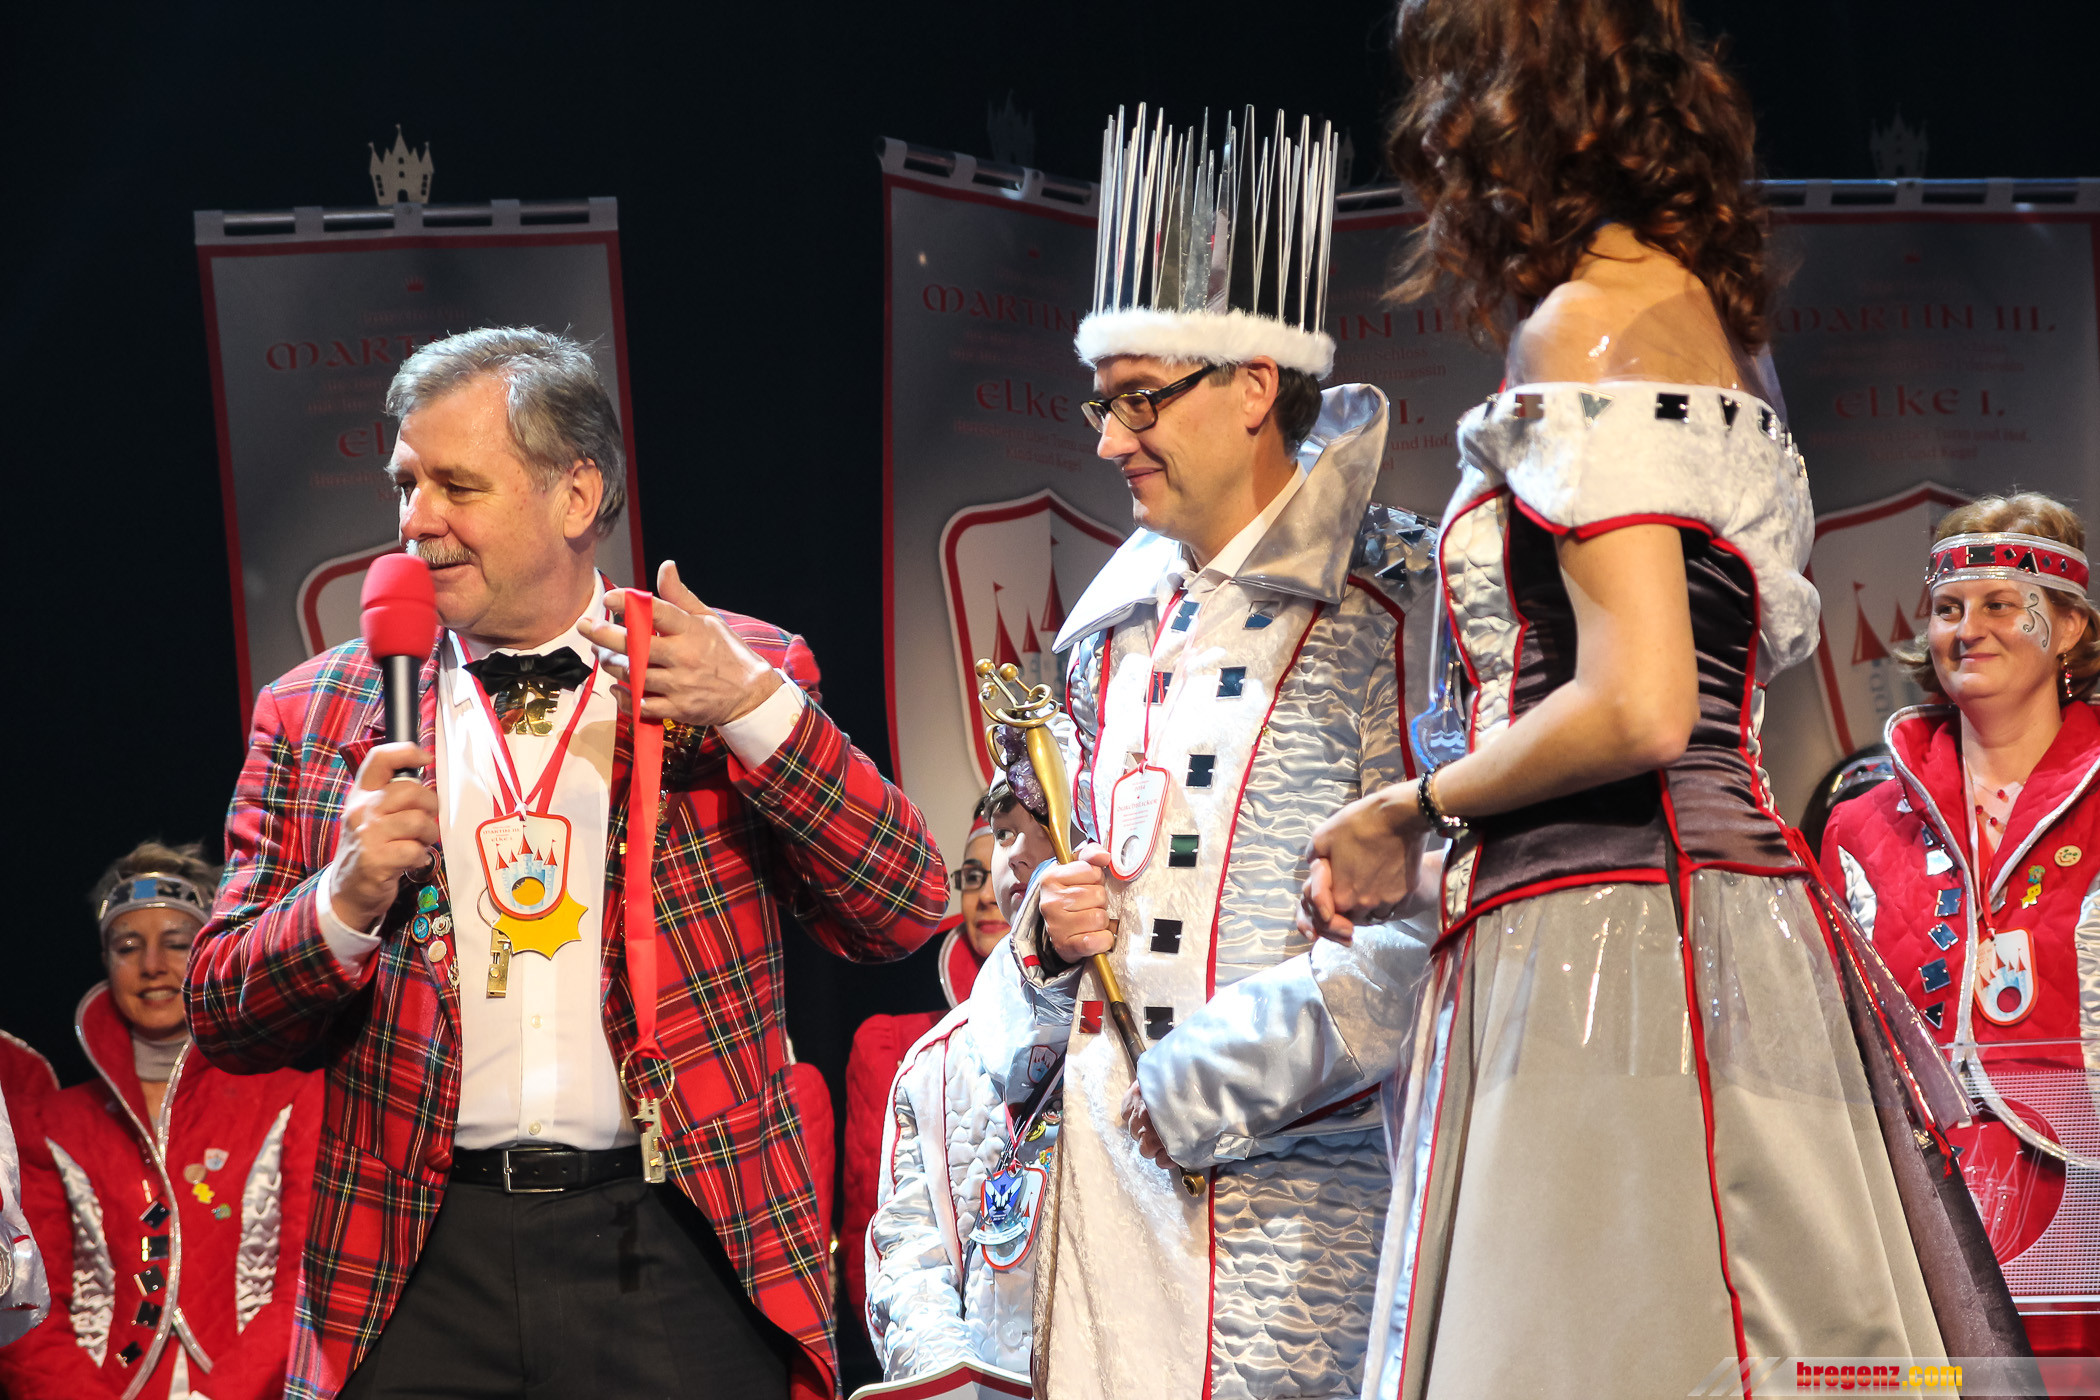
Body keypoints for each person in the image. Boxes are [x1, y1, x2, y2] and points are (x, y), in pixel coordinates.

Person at [1298, 3, 2027, 1395]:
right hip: (1717, 919)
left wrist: (1412, 806)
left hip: (1615, 937)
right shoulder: (1714, 330)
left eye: (1457, 94)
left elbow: (1638, 702)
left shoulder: (1587, 327)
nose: (1441, 141)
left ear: (1524, 107)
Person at [184, 327, 949, 1400]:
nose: (416, 520)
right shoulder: (314, 711)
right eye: (406, 484)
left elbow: (903, 907)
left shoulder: (729, 668)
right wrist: (341, 899)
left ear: (576, 495)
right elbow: (222, 1010)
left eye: (457, 485)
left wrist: (752, 711)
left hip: (675, 1237)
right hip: (416, 1258)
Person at [1017, 106, 1437, 1400]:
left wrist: (1213, 1076)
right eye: (1103, 402)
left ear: (1255, 385)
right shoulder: (1104, 627)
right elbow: (1066, 877)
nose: (1108, 439)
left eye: (1140, 399)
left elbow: (1438, 921)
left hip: (1293, 1209)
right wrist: (1045, 933)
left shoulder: (1396, 608)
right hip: (1102, 1204)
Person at [1821, 493, 2100, 1356]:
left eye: (2000, 605)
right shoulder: (1857, 826)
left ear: (2068, 628)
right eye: (1947, 609)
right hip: (1923, 1210)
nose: (1966, 630)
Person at [0, 841, 320, 1400]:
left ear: (213, 952)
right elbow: (25, 1305)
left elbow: (311, 1281)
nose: (152, 965)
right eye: (128, 946)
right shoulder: (48, 1124)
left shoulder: (294, 1099)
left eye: (177, 944)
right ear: (105, 962)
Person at [865, 759, 1064, 1380]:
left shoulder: (1162, 1039)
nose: (1019, 855)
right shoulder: (930, 1065)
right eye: (1005, 833)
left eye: (1047, 828)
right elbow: (907, 1258)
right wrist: (950, 1375)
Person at [841, 795, 1009, 1322]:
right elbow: (875, 1233)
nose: (986, 896)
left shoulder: (1090, 1032)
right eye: (973, 877)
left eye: (1006, 869)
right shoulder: (894, 1047)